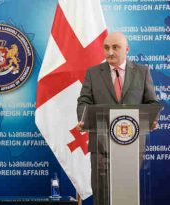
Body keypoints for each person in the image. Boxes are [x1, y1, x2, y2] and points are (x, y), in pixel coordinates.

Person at [76, 32, 158, 205]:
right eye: (106, 48)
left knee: (127, 195)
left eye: (115, 47)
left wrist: (151, 119)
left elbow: (151, 102)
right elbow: (84, 101)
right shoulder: (93, 73)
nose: (110, 52)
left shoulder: (142, 72)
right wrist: (83, 119)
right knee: (103, 195)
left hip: (132, 144)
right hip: (101, 144)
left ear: (127, 49)